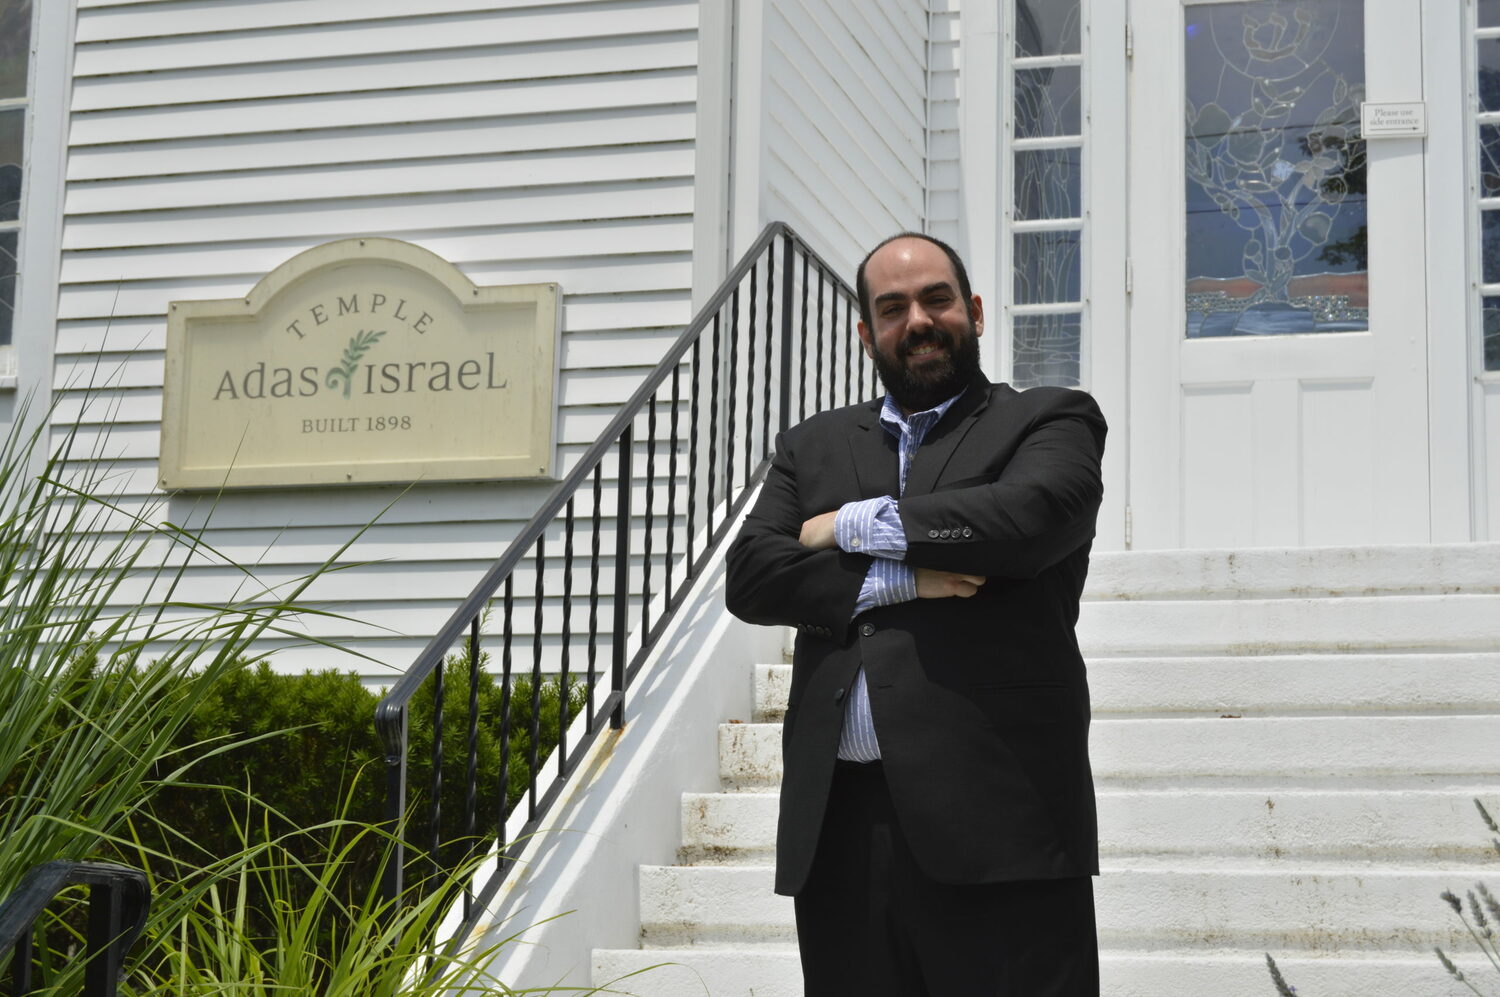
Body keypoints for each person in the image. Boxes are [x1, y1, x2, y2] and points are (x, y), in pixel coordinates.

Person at [725, 232, 1107, 996]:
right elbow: (754, 575)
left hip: (1003, 827)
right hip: (839, 835)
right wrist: (905, 580)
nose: (918, 321)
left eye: (936, 299)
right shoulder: (812, 445)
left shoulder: (1050, 422)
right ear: (867, 333)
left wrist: (845, 526)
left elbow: (1027, 519)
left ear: (973, 311)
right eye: (892, 308)